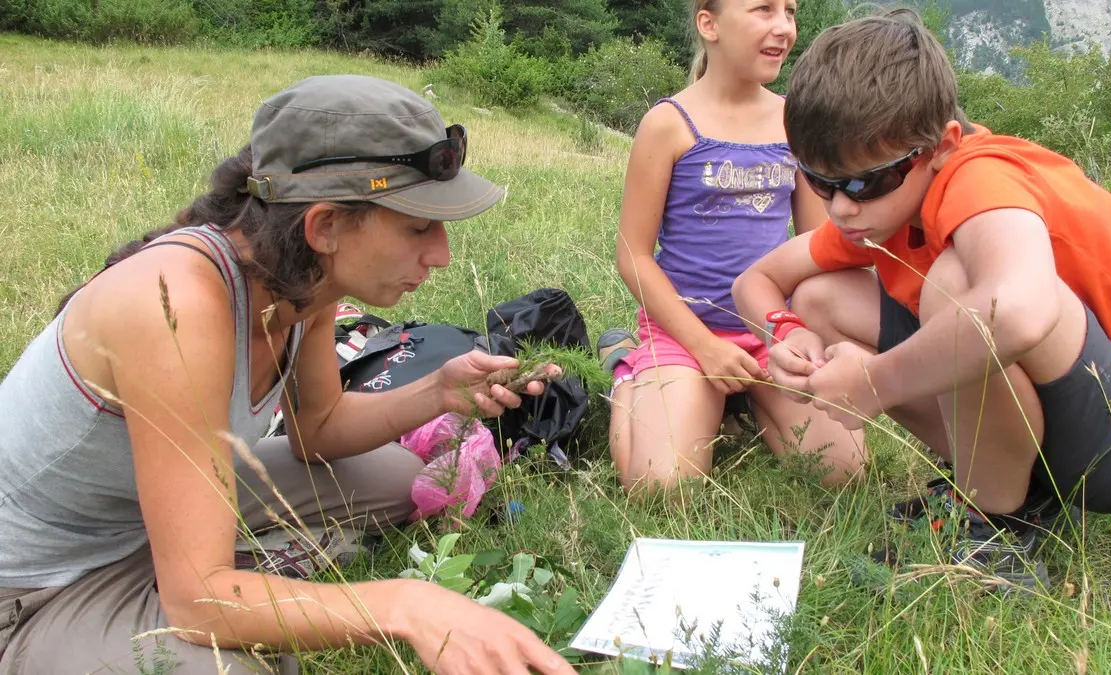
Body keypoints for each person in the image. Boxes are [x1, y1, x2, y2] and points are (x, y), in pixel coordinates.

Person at [0, 75, 574, 674]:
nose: (442, 253)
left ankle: (214, 572)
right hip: (40, 584)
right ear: (324, 225)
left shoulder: (301, 279)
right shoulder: (175, 305)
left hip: (139, 518)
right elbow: (197, 600)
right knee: (241, 666)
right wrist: (406, 605)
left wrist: (439, 390)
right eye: (417, 226)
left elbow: (317, 430)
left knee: (398, 479)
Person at [732, 8, 1111, 589]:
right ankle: (1015, 492)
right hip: (1068, 407)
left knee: (957, 285)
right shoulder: (884, 203)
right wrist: (790, 332)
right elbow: (755, 282)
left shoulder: (982, 179)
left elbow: (1022, 309)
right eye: (820, 182)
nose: (841, 207)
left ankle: (996, 527)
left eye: (864, 182)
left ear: (942, 146)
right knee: (820, 297)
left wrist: (873, 382)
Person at [598, 0, 867, 495]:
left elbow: (814, 249)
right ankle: (625, 368)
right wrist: (705, 348)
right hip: (684, 334)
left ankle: (743, 401)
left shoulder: (796, 124)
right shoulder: (669, 122)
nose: (783, 27)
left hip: (771, 331)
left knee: (844, 472)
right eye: (763, 9)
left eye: (790, 11)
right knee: (663, 487)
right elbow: (632, 255)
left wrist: (800, 337)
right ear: (709, 24)